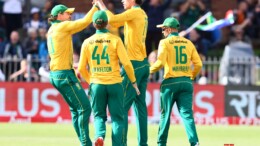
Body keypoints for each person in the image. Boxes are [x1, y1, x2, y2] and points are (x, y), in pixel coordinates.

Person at [78, 10, 140, 146]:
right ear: (107, 24)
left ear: (94, 24)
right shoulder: (116, 40)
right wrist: (134, 82)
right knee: (118, 118)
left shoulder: (87, 42)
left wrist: (91, 81)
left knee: (99, 116)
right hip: (115, 83)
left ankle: (100, 136)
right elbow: (127, 64)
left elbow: (82, 68)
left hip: (97, 84)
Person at [96, 0, 150, 145]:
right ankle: (143, 143)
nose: (122, 0)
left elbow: (112, 21)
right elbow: (117, 23)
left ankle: (122, 143)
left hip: (133, 64)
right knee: (140, 107)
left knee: (120, 109)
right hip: (143, 64)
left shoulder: (133, 12)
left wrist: (101, 4)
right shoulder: (141, 13)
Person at [47, 3, 98, 146]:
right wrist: (96, 7)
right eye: (67, 13)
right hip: (64, 74)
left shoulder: (52, 28)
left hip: (57, 74)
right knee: (85, 108)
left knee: (76, 110)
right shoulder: (61, 26)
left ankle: (84, 142)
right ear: (59, 16)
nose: (70, 15)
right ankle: (86, 143)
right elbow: (85, 22)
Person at [150, 17, 202, 146]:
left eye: (163, 29)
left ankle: (161, 143)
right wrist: (191, 76)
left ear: (169, 29)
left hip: (170, 83)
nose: (162, 32)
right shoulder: (188, 43)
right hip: (186, 82)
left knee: (165, 115)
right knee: (187, 115)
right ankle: (194, 142)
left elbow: (160, 63)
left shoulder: (164, 42)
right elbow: (199, 64)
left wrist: (148, 71)